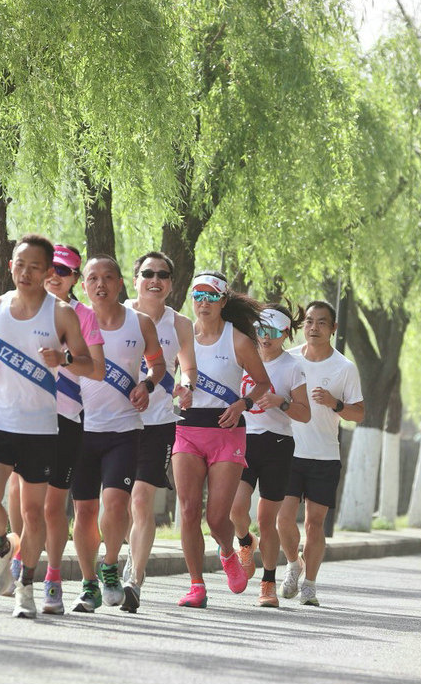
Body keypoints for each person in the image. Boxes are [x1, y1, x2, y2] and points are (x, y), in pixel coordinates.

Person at [0, 234, 94, 619]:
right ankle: (3, 547)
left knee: (33, 514)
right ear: (11, 266)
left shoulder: (61, 314)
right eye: (20, 265)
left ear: (47, 272)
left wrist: (64, 359)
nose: (25, 272)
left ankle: (25, 587)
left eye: (35, 267)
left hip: (40, 429)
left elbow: (90, 364)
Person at [4, 244, 106, 614]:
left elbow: (97, 369)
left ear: (75, 278)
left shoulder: (82, 316)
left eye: (64, 271)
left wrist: (64, 359)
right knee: (19, 493)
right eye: (52, 269)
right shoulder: (20, 308)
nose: (55, 277)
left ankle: (53, 578)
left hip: (65, 418)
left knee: (51, 507)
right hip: (24, 415)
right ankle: (20, 555)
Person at [69, 255, 166, 613]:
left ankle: (110, 565)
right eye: (93, 278)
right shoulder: (72, 322)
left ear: (120, 283)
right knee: (84, 511)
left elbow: (158, 363)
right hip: (81, 428)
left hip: (124, 429)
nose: (101, 284)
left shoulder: (140, 323)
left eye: (108, 277)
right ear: (84, 285)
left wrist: (147, 384)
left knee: (115, 504)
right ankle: (88, 584)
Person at [172, 271, 271, 608]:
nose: (204, 303)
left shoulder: (237, 340)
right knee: (188, 510)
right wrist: (178, 389)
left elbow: (262, 383)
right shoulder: (182, 336)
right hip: (187, 429)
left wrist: (243, 403)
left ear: (223, 301)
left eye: (211, 296)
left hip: (227, 432)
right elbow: (162, 371)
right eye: (198, 296)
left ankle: (228, 552)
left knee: (216, 518)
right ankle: (196, 585)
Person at [122, 251, 196, 612]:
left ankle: (135, 578)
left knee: (140, 500)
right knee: (117, 504)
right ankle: (127, 555)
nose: (155, 280)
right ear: (135, 278)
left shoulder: (179, 323)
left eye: (163, 275)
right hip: (115, 422)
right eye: (148, 273)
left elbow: (189, 369)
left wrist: (187, 387)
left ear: (171, 283)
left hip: (158, 423)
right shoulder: (117, 315)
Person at [277, 300, 364, 607]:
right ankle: (293, 564)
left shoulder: (344, 368)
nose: (314, 328)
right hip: (288, 450)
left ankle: (310, 585)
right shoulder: (287, 359)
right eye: (310, 322)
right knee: (283, 519)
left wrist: (334, 403)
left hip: (324, 455)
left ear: (333, 328)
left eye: (322, 323)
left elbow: (359, 413)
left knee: (315, 523)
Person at [231, 303, 311, 607]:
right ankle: (245, 542)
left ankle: (268, 583)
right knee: (236, 509)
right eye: (261, 330)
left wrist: (282, 402)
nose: (266, 337)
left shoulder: (292, 367)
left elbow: (304, 414)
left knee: (267, 520)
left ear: (286, 334)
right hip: (243, 440)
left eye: (274, 332)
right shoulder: (243, 357)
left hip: (277, 445)